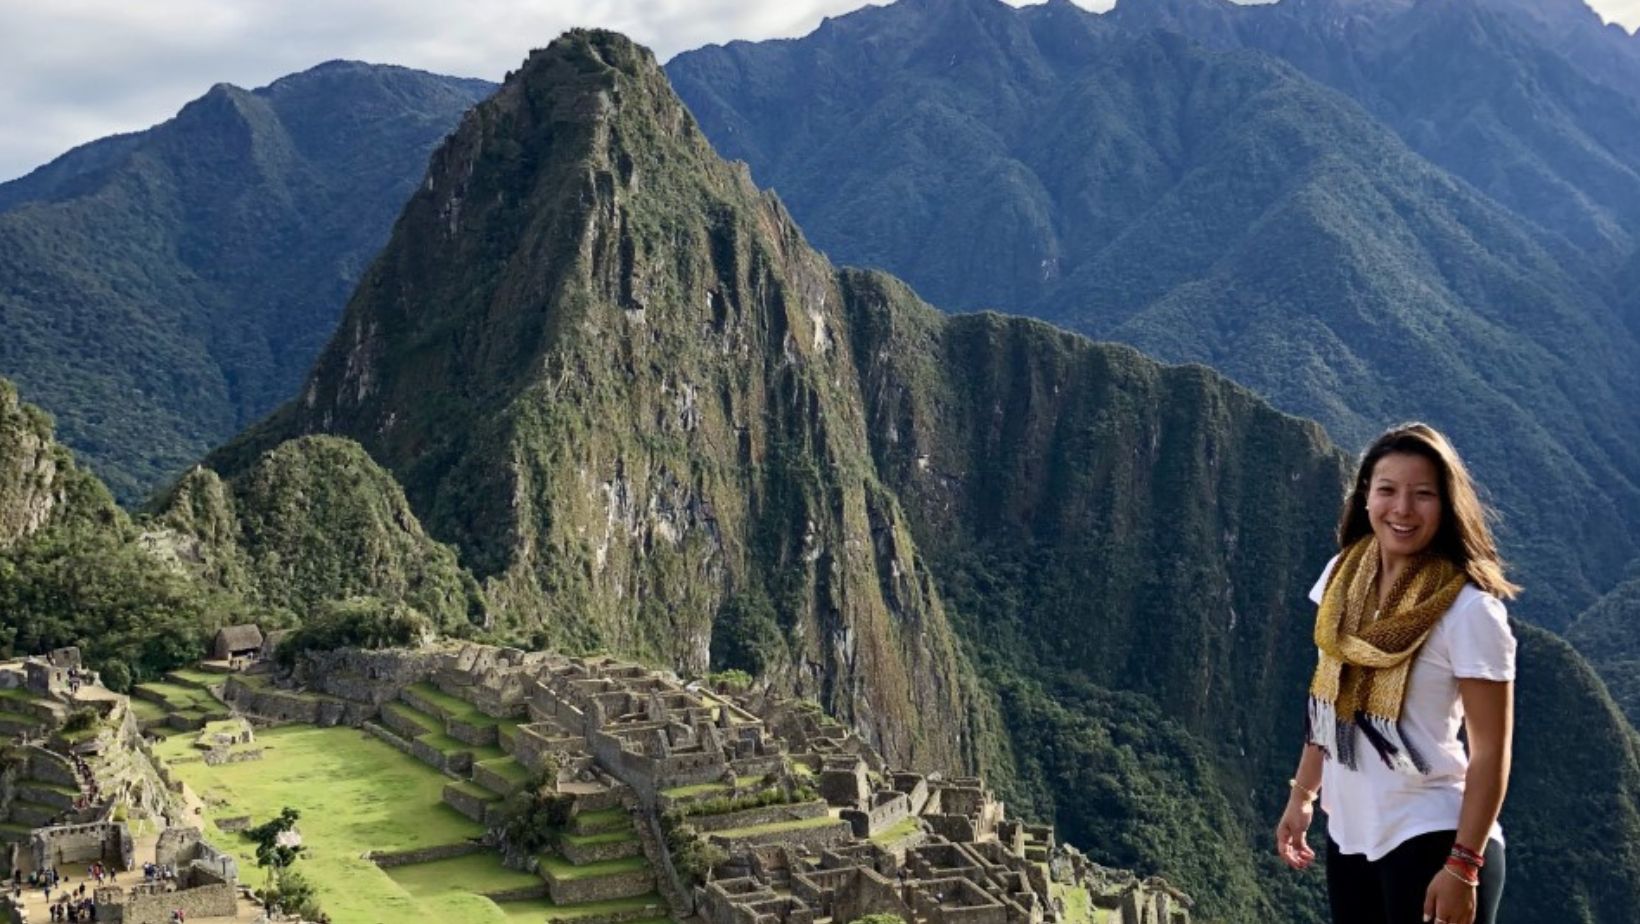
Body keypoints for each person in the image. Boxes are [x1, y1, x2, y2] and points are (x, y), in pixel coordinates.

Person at [1275, 423, 1516, 924]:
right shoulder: (1342, 577)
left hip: (1433, 837)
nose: (1402, 509)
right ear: (1365, 496)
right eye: (1387, 490)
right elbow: (1328, 697)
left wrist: (1464, 867)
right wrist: (1303, 795)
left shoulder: (1470, 612)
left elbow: (1491, 751)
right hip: (1351, 835)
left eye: (1422, 494)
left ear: (1447, 504)